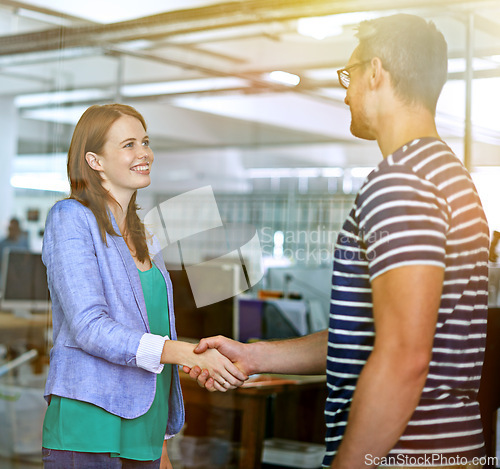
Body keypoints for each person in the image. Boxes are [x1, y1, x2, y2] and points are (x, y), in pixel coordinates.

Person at [184, 14, 489, 469]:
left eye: (349, 76)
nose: (345, 93)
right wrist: (253, 356)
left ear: (376, 72)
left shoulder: (399, 183)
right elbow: (370, 337)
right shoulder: (448, 177)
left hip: (403, 454)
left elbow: (404, 357)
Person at [41, 103, 247, 469]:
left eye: (146, 142)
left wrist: (163, 440)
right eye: (129, 144)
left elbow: (153, 328)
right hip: (90, 425)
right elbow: (90, 328)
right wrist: (184, 353)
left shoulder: (144, 235)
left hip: (147, 428)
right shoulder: (70, 219)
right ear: (95, 161)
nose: (144, 153)